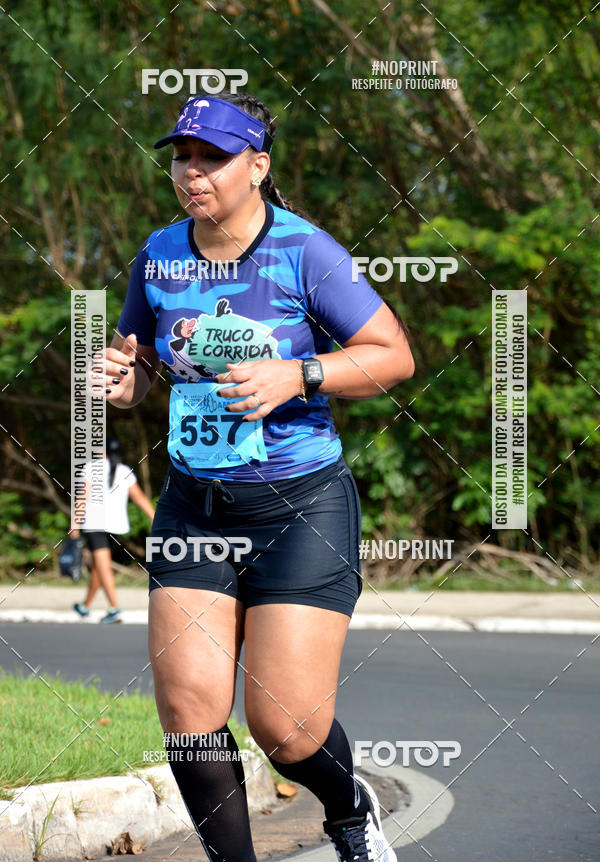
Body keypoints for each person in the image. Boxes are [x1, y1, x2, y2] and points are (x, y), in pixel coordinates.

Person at [104, 92, 414, 861]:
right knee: (188, 712)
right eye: (183, 157)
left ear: (259, 166)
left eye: (214, 157)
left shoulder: (306, 251)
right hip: (194, 508)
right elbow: (140, 363)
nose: (194, 172)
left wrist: (297, 374)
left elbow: (392, 355)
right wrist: (124, 379)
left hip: (300, 508)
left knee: (287, 730)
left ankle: (348, 809)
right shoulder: (159, 253)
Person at [72, 435, 155, 623]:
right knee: (99, 568)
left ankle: (114, 608)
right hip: (115, 526)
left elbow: (82, 498)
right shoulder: (125, 470)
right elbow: (140, 497)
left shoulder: (91, 468)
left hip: (94, 524)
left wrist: (75, 524)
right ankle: (85, 606)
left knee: (103, 567)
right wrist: (154, 518)